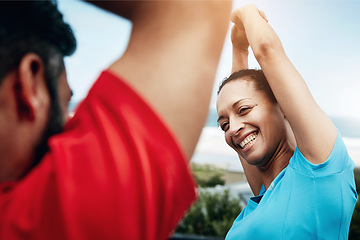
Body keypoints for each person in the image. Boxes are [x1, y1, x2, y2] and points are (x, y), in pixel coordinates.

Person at [0, 1, 231, 239]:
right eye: (63, 103)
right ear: (30, 83)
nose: (68, 125)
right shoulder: (37, 221)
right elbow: (197, 7)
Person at [216, 5, 357, 239]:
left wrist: (247, 12)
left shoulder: (319, 172)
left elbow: (267, 50)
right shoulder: (266, 192)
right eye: (224, 124)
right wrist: (239, 49)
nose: (233, 129)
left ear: (281, 104)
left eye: (244, 110)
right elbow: (241, 96)